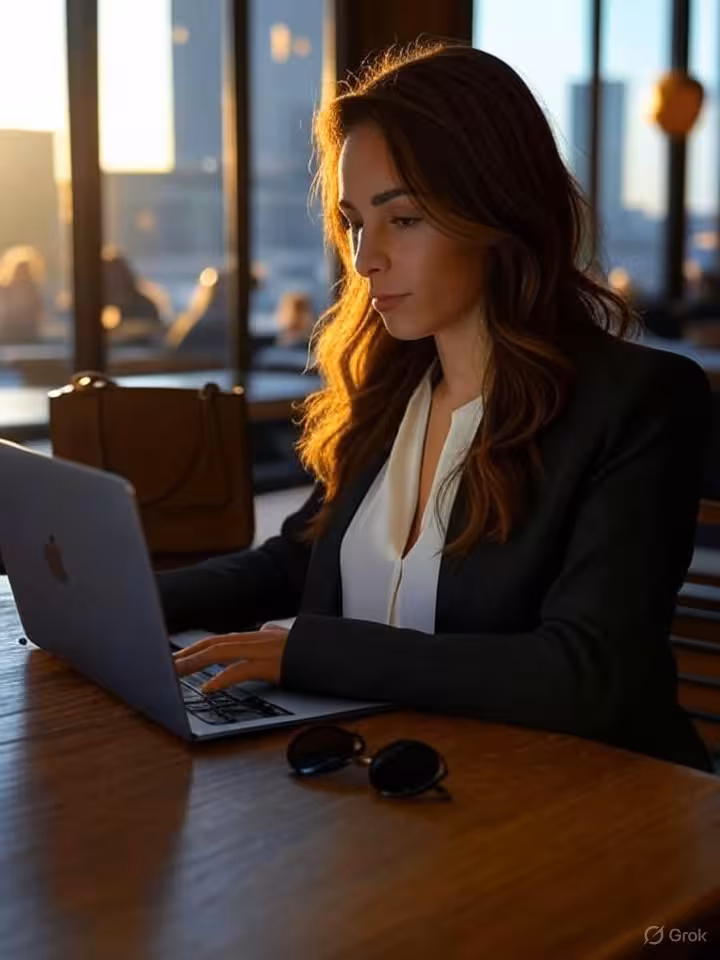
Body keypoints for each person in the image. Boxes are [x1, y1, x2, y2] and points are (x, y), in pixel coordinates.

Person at [161, 41, 714, 772]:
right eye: (355, 221)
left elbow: (585, 675)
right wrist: (129, 603)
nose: (364, 259)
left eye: (404, 219)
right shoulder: (389, 394)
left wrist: (314, 652)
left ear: (497, 210)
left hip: (588, 810)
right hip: (402, 784)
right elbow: (296, 560)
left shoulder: (639, 402)